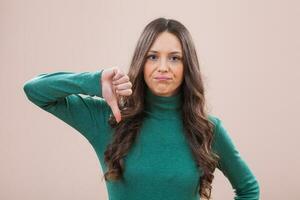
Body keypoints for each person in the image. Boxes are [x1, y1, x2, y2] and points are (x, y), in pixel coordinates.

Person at [23, 17, 260, 200]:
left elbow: (248, 189)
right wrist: (94, 81)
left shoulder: (207, 129)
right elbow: (35, 89)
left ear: (188, 66)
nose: (163, 67)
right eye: (153, 57)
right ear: (141, 62)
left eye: (175, 58)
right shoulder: (110, 117)